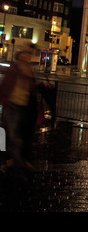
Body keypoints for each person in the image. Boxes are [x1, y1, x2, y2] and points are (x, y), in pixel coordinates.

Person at [0, 44, 38, 173]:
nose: (26, 57)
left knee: (16, 134)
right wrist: (4, 101)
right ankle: (16, 161)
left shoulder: (28, 70)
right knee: (13, 136)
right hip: (13, 104)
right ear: (20, 57)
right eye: (24, 55)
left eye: (28, 55)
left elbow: (33, 88)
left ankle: (12, 160)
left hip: (23, 105)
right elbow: (5, 85)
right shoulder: (15, 68)